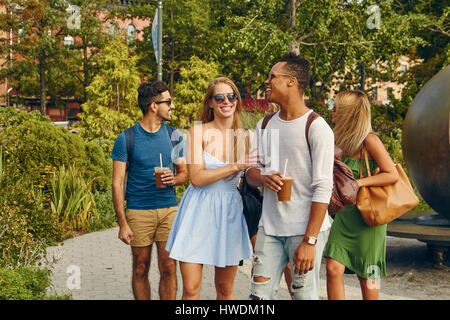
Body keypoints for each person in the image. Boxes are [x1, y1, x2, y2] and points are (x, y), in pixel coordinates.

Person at [246, 52, 334, 300]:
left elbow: (323, 187)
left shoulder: (316, 127)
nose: (267, 82)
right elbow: (250, 173)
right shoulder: (265, 125)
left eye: (272, 76)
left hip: (304, 230)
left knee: (303, 296)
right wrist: (262, 178)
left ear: (291, 82)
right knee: (258, 297)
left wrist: (310, 241)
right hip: (270, 228)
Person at [165, 77, 255, 300]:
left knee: (225, 289)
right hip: (198, 210)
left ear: (237, 100)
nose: (227, 101)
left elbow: (251, 177)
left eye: (231, 96)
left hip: (229, 213)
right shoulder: (198, 132)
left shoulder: (246, 136)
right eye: (220, 97)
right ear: (210, 103)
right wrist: (235, 166)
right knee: (191, 289)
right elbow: (196, 178)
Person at [111, 81, 188, 300]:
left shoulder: (174, 136)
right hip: (138, 211)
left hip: (168, 211)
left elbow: (184, 173)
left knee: (169, 267)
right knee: (140, 268)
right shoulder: (126, 138)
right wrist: (122, 223)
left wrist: (173, 179)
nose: (172, 106)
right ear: (154, 106)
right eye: (168, 102)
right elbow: (117, 183)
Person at [323, 90, 399, 300]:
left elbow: (392, 174)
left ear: (348, 113)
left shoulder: (369, 140)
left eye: (336, 107)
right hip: (345, 215)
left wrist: (357, 183)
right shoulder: (336, 139)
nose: (332, 111)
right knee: (332, 268)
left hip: (369, 216)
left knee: (368, 274)